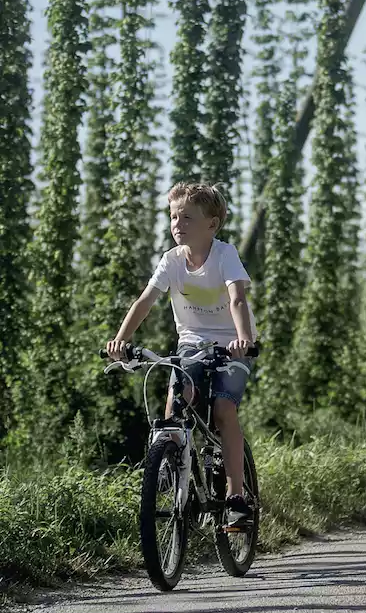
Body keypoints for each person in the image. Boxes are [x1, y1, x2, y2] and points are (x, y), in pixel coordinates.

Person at [105, 182, 257, 531]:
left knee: (223, 410)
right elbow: (144, 301)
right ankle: (173, 468)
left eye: (187, 217)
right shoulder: (171, 261)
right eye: (173, 216)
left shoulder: (224, 255)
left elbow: (236, 299)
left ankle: (236, 497)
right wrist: (119, 340)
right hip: (192, 343)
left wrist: (245, 339)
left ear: (212, 224)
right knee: (177, 404)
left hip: (233, 342)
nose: (178, 223)